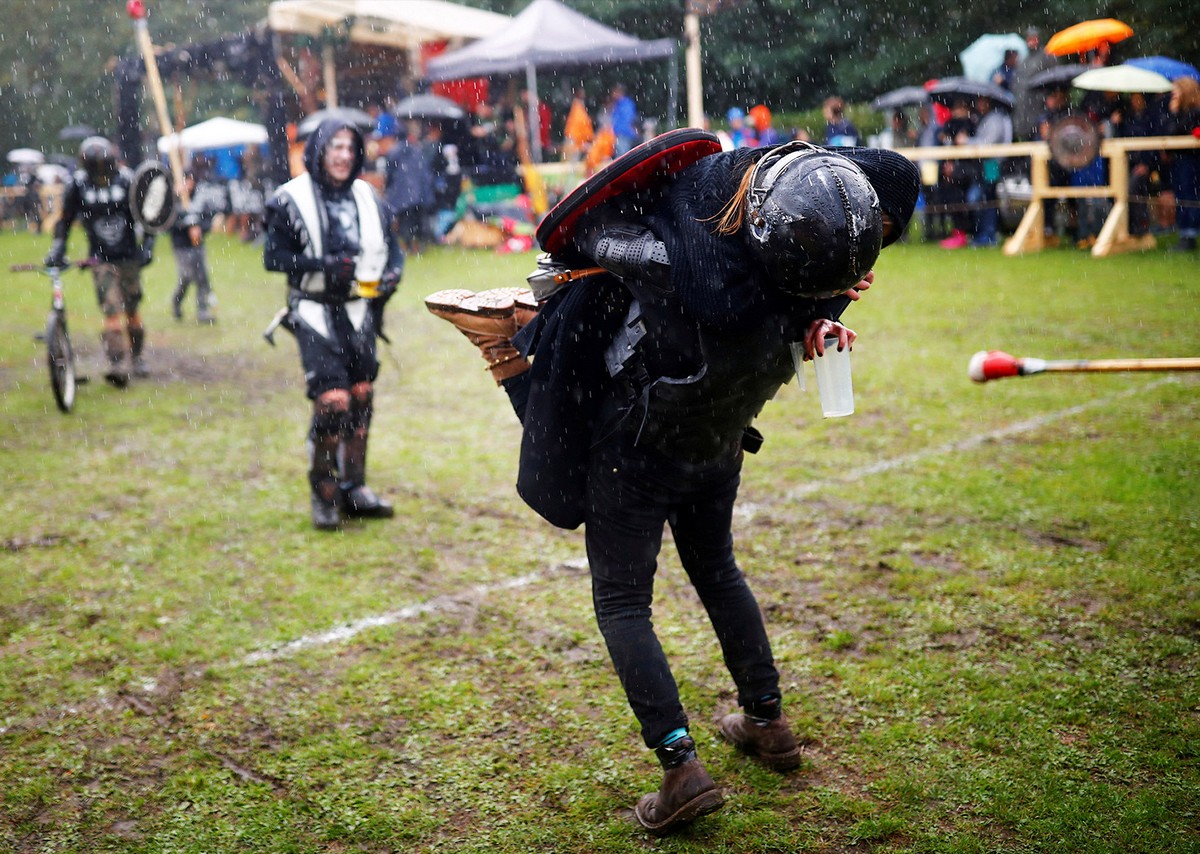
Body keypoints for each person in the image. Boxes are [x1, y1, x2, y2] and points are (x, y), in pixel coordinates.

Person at [425, 137, 919, 836]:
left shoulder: (696, 265)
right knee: (717, 571)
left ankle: (680, 768)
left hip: (637, 449)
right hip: (715, 442)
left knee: (623, 604)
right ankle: (767, 722)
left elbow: (588, 234)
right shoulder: (803, 286)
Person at [262, 118, 404, 530]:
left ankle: (353, 489)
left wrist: (393, 276)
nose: (342, 155)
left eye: (349, 147)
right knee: (333, 402)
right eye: (334, 146)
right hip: (313, 310)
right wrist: (320, 266)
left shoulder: (369, 197)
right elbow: (273, 257)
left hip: (360, 310)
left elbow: (393, 250)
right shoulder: (290, 199)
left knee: (360, 394)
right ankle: (323, 491)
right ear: (319, 151)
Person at [45, 136, 155, 387]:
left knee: (132, 313)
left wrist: (147, 245)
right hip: (100, 259)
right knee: (111, 310)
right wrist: (58, 247)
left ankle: (136, 357)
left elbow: (149, 213)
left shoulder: (127, 180)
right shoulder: (79, 185)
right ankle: (117, 364)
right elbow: (65, 219)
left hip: (128, 257)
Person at [965, 95, 1014, 247]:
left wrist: (967, 141)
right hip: (986, 164)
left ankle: (988, 235)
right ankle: (984, 235)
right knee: (983, 198)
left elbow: (988, 143)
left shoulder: (994, 119)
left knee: (984, 197)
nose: (979, 104)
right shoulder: (985, 118)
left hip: (992, 164)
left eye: (982, 101)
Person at [170, 172, 217, 323]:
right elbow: (168, 223)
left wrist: (200, 228)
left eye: (190, 181)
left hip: (197, 244)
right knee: (187, 276)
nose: (187, 185)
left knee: (202, 276)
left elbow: (209, 218)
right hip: (181, 245)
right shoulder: (173, 200)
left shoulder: (200, 198)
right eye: (184, 181)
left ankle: (202, 310)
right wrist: (184, 225)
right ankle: (177, 301)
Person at [1166, 77, 1200, 251]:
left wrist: (1175, 114)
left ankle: (1190, 234)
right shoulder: (1180, 111)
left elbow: (1179, 130)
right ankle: (1185, 234)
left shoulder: (1195, 111)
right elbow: (1169, 131)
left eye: (1176, 90)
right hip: (1180, 160)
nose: (1174, 94)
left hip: (1192, 160)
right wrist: (1173, 113)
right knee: (1182, 195)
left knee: (1190, 196)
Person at [1011, 27, 1059, 142]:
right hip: (1024, 109)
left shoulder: (1047, 57)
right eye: (1029, 39)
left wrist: (1050, 97)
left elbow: (1056, 79)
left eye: (1034, 39)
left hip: (1041, 108)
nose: (1031, 42)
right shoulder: (1025, 60)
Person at [562, 87, 594, 162]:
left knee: (572, 157)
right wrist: (589, 135)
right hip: (575, 136)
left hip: (575, 136)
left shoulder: (577, 106)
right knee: (572, 157)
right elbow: (582, 122)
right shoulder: (578, 107)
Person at [609, 85, 639, 156]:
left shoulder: (626, 104)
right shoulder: (619, 104)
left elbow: (627, 120)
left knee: (622, 155)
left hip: (623, 134)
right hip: (620, 134)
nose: (613, 95)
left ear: (619, 92)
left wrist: (617, 130)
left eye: (614, 93)